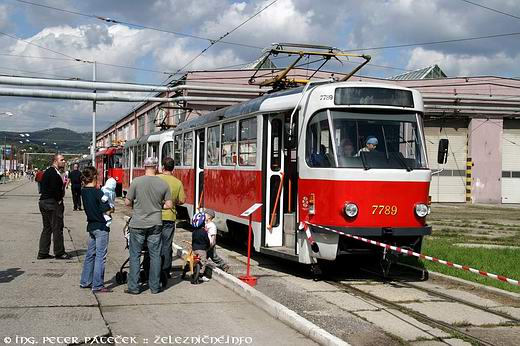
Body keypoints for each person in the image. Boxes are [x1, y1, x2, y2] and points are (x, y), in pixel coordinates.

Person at [124, 157, 173, 295]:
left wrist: (138, 205)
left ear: (144, 167)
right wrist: (158, 205)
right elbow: (169, 205)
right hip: (156, 223)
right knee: (155, 255)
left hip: (138, 223)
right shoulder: (163, 184)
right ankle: (155, 287)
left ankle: (133, 287)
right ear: (156, 167)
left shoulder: (136, 182)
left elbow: (127, 202)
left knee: (135, 255)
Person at [79, 167, 112, 293]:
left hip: (91, 226)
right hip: (101, 226)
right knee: (100, 256)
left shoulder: (84, 191)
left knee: (90, 254)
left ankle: (85, 280)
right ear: (94, 177)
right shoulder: (98, 192)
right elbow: (107, 209)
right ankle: (98, 285)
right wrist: (111, 209)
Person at [37, 154, 71, 260]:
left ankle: (43, 252)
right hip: (52, 203)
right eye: (62, 160)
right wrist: (59, 200)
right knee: (57, 228)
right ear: (55, 161)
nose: (64, 162)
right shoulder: (54, 174)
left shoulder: (47, 172)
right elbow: (55, 190)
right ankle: (59, 252)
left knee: (47, 228)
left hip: (43, 202)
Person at [158, 157, 185, 278]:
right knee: (167, 244)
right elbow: (182, 200)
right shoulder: (177, 182)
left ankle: (155, 268)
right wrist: (174, 202)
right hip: (170, 217)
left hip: (155, 216)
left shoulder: (156, 179)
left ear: (163, 167)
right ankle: (165, 270)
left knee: (154, 244)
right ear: (173, 168)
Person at [191, 212, 213, 283]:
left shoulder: (194, 232)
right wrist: (208, 246)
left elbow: (193, 240)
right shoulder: (204, 232)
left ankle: (193, 270)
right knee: (203, 262)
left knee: (194, 261)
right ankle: (200, 274)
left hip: (194, 249)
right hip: (202, 250)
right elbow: (207, 240)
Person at [205, 209, 229, 273]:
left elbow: (213, 236)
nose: (203, 215)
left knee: (214, 257)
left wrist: (212, 244)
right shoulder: (205, 223)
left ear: (209, 217)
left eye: (205, 214)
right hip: (205, 243)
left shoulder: (212, 226)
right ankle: (200, 266)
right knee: (204, 256)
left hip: (210, 244)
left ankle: (224, 265)